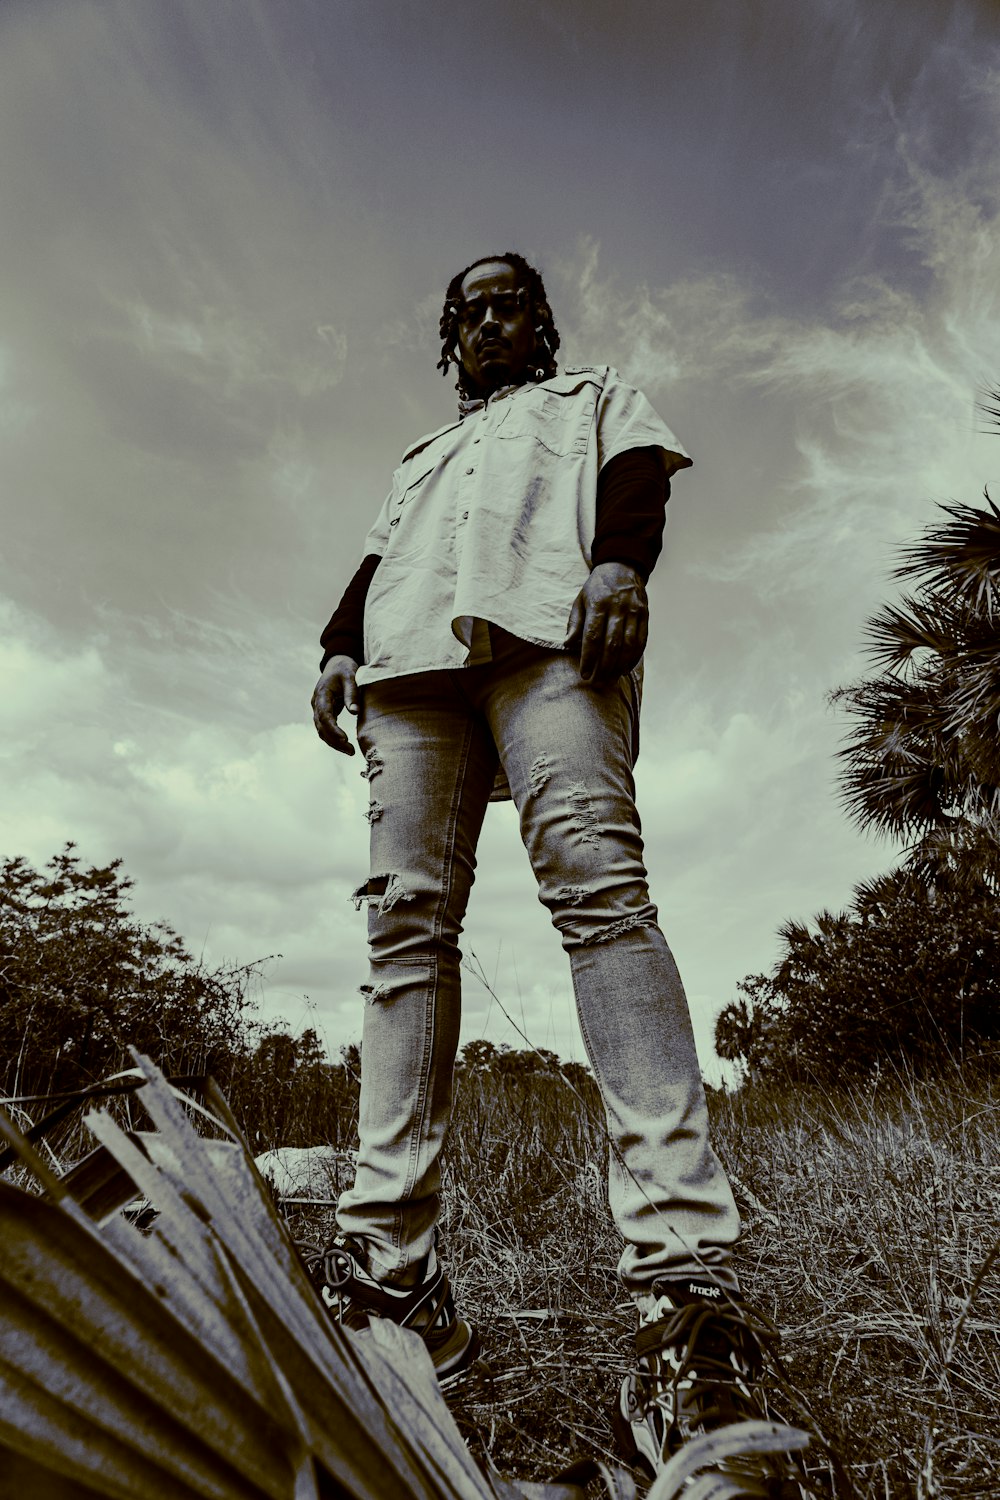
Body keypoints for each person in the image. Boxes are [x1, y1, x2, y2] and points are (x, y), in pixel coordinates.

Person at [309, 253, 806, 1490]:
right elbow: (381, 565)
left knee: (598, 892)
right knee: (403, 929)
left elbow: (633, 485)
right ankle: (395, 1280)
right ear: (452, 339)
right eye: (468, 310)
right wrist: (331, 650)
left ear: (540, 321)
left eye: (510, 301)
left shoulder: (594, 399)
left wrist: (620, 567)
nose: (490, 319)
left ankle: (680, 1298)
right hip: (406, 675)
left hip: (548, 638)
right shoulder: (422, 457)